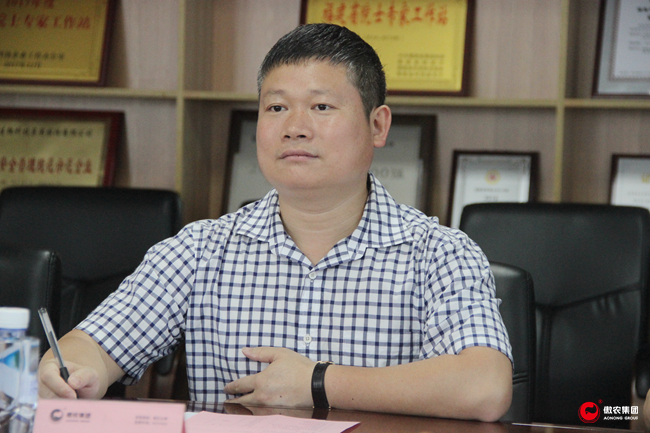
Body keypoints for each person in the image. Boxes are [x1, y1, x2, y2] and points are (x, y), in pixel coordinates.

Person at [38, 23, 513, 422]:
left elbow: (485, 388)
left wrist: (318, 382)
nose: (294, 127)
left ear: (377, 126)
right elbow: (92, 346)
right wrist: (73, 371)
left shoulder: (439, 252)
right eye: (276, 107)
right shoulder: (201, 249)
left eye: (321, 107)